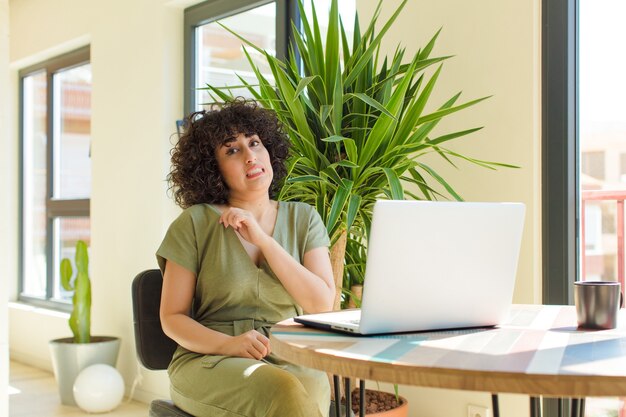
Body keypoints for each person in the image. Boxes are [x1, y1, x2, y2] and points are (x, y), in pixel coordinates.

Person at [156, 99, 335, 417]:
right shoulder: (195, 223)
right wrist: (229, 344)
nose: (250, 155)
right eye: (232, 150)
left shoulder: (303, 218)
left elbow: (321, 304)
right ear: (213, 168)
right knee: (281, 390)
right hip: (212, 359)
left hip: (290, 356)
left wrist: (265, 242)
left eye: (254, 143)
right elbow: (172, 318)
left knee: (302, 387)